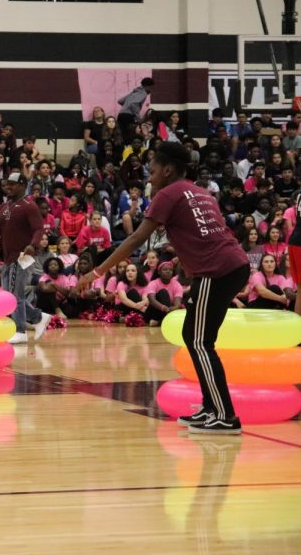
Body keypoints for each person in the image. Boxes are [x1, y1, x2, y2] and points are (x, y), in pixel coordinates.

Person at [77, 142, 250, 435]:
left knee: (200, 341)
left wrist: (96, 271)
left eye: (153, 170)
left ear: (168, 170)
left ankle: (224, 415)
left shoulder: (167, 194)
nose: (149, 176)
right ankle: (211, 407)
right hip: (230, 265)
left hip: (216, 271)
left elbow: (134, 240)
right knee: (193, 336)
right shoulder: (199, 191)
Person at [0, 172, 53, 344]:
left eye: (12, 184)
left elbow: (39, 229)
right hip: (8, 257)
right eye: (6, 184)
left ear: (23, 185)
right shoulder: (3, 206)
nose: (8, 187)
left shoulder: (29, 206)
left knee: (14, 296)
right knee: (8, 296)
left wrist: (33, 244)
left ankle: (20, 331)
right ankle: (38, 317)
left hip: (23, 256)